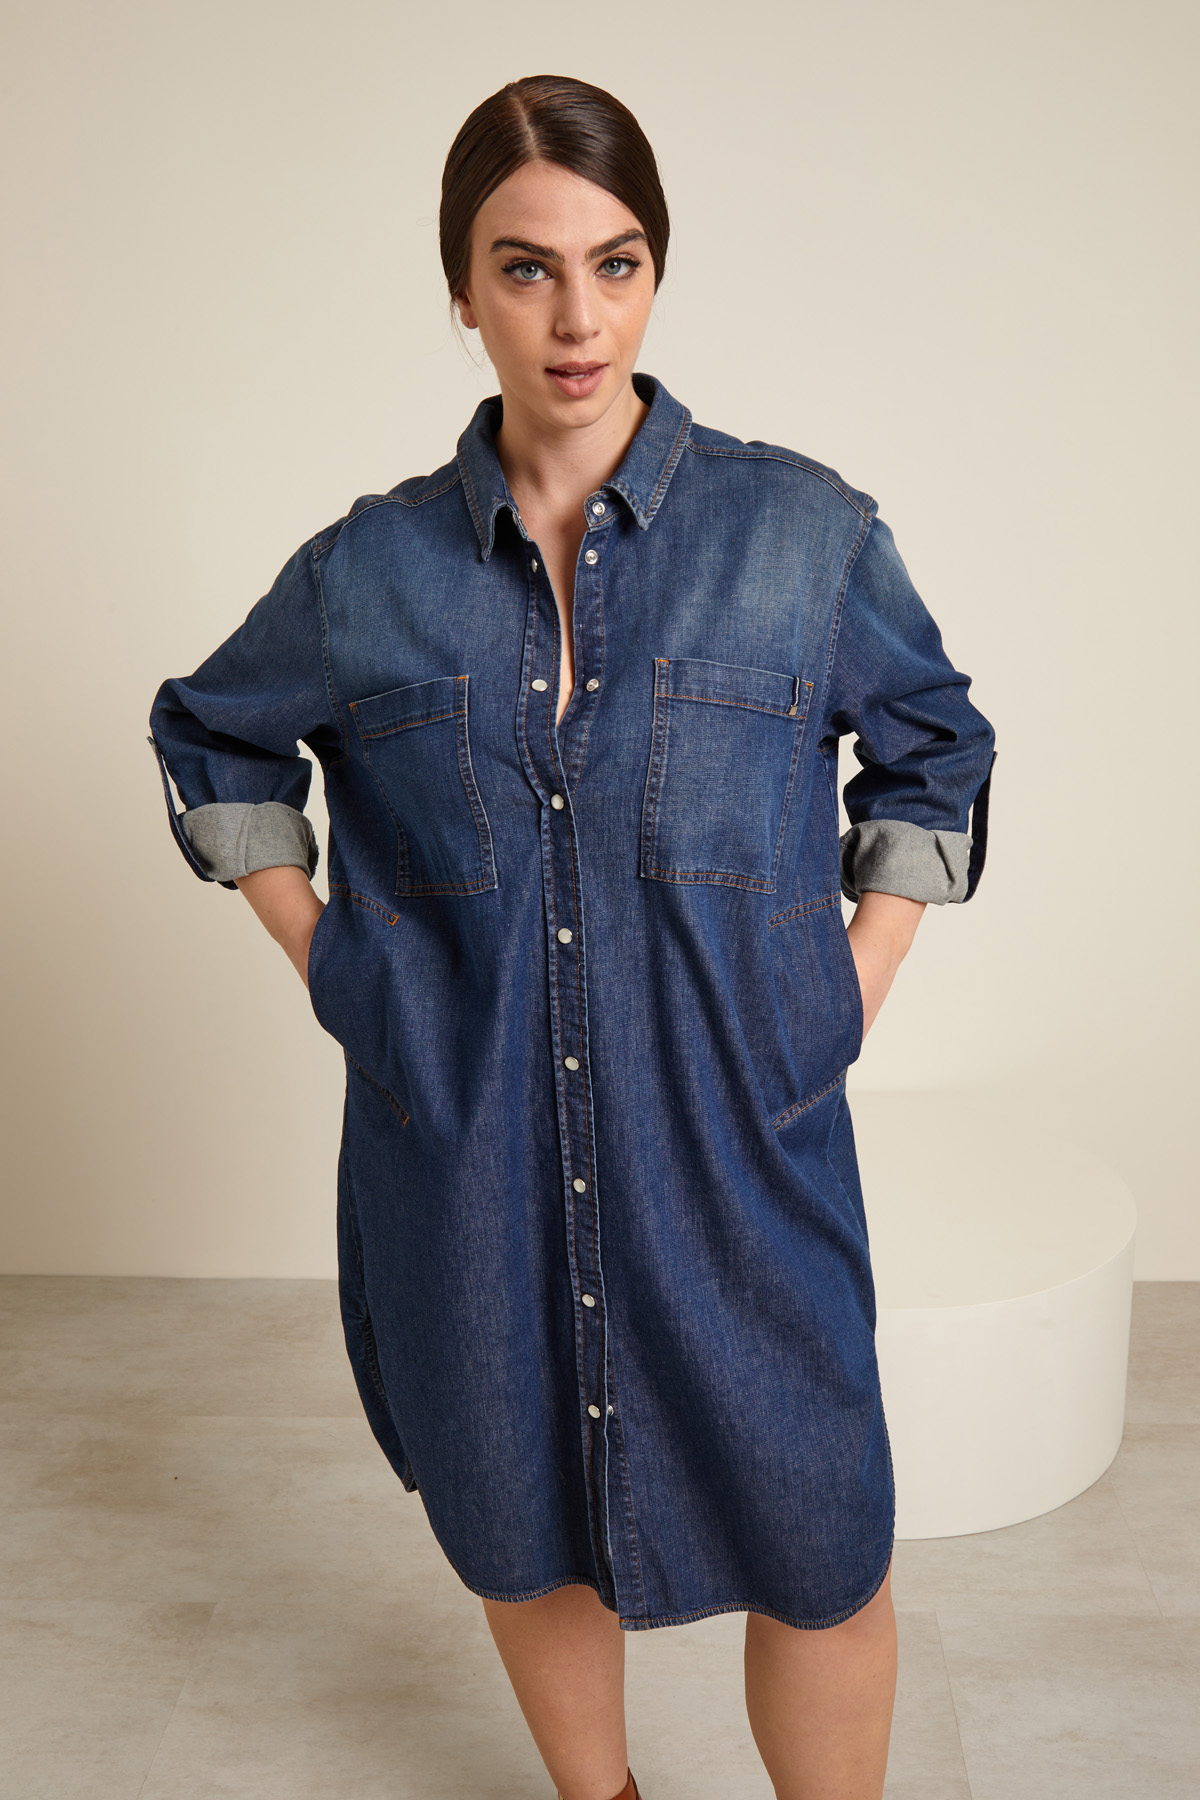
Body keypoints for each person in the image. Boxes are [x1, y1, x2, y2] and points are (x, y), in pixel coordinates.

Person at [148, 74, 996, 1800]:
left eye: (616, 263)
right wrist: (333, 963)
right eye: (524, 268)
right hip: (463, 1164)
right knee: (520, 1515)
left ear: (657, 271)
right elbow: (212, 735)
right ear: (462, 291)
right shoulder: (367, 574)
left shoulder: (801, 537)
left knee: (823, 1540)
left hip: (737, 1150)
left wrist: (855, 978)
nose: (578, 318)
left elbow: (936, 748)